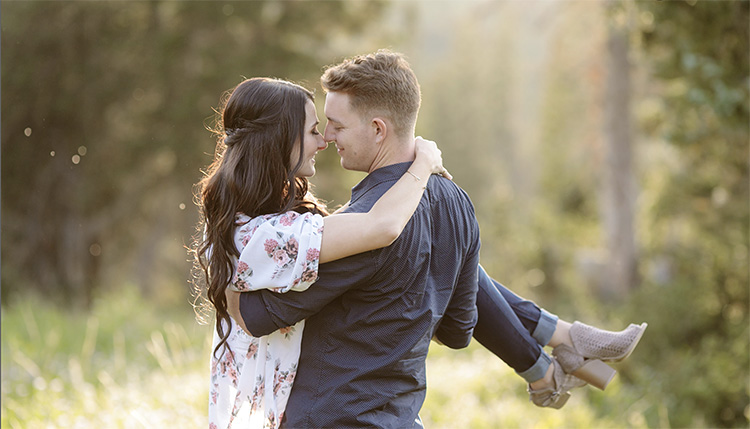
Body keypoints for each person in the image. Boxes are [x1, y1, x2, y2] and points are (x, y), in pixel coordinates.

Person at [225, 51, 647, 424]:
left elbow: (260, 316)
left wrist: (223, 264)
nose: (327, 137)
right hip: (400, 419)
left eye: (334, 124)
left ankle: (554, 352)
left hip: (332, 416)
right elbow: (459, 328)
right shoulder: (456, 202)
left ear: (377, 129)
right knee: (454, 258)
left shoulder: (365, 224)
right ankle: (563, 340)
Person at [193, 77, 452, 428]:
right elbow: (383, 226)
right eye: (314, 131)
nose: (324, 141)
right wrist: (423, 162)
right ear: (281, 140)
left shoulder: (248, 222)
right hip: (289, 414)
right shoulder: (269, 238)